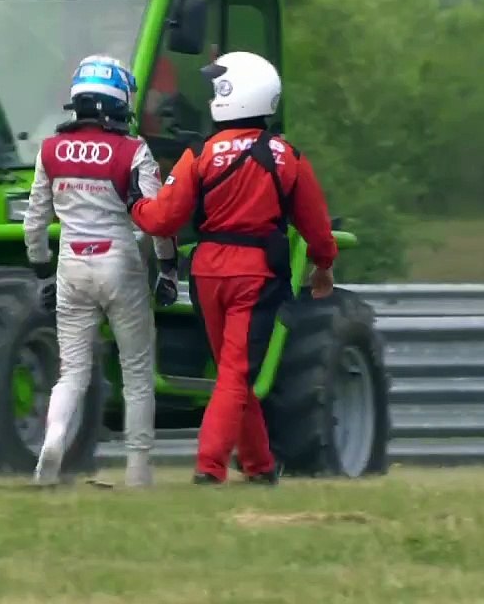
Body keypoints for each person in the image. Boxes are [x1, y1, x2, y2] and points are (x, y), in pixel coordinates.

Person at [126, 51, 338, 486]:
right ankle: (210, 466)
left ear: (228, 96)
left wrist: (134, 204)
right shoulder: (286, 157)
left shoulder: (199, 154)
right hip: (255, 274)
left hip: (206, 274)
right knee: (236, 372)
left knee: (230, 368)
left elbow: (162, 219)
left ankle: (260, 466)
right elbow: (316, 226)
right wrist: (323, 266)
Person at [23, 54, 180, 488]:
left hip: (71, 260)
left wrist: (41, 271)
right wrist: (168, 269)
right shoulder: (133, 150)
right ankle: (137, 470)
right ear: (117, 100)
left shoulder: (50, 149)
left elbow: (35, 222)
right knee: (135, 372)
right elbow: (156, 218)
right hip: (120, 262)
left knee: (71, 372)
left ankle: (52, 443)